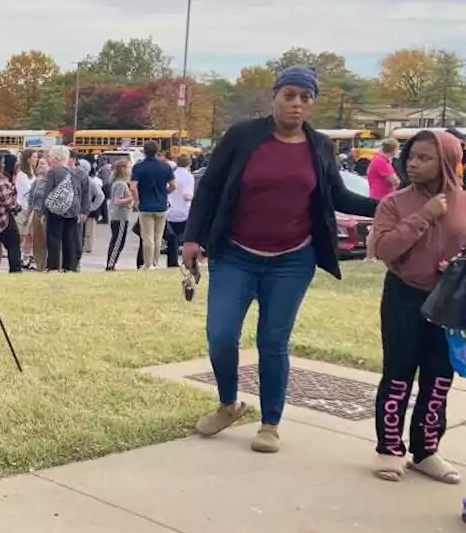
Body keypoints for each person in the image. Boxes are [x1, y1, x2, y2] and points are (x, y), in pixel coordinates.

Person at [183, 65, 377, 454]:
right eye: (289, 95)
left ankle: (270, 422)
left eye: (305, 97)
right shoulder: (243, 136)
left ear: (313, 103)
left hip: (292, 259)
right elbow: (210, 189)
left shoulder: (320, 145)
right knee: (220, 335)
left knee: (273, 340)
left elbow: (338, 196)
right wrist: (192, 238)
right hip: (235, 254)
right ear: (274, 96)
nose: (296, 103)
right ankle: (228, 404)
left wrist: (389, 206)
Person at [369, 130, 466, 485]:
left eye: (425, 158)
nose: (413, 163)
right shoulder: (394, 203)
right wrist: (424, 214)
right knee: (398, 374)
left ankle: (426, 450)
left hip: (449, 302)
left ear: (446, 163)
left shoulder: (464, 202)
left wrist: (456, 264)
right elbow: (385, 249)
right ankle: (389, 448)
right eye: (411, 156)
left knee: (439, 378)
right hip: (404, 297)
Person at [43, 145, 89, 272]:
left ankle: (53, 265)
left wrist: (44, 211)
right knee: (70, 239)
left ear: (56, 158)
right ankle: (69, 266)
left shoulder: (53, 171)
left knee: (54, 237)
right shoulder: (76, 172)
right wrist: (82, 210)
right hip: (73, 208)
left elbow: (48, 191)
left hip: (56, 209)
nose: (49, 160)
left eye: (50, 157)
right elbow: (81, 191)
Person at [131, 141, 176, 269]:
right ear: (158, 150)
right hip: (161, 205)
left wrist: (137, 200)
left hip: (145, 205)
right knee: (158, 236)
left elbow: (133, 187)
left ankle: (148, 264)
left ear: (144, 151)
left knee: (147, 237)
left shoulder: (139, 167)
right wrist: (165, 192)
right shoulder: (165, 166)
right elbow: (173, 185)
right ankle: (155, 262)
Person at [164, 154, 196, 267]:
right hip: (184, 211)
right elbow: (187, 196)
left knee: (172, 239)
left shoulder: (172, 175)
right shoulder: (189, 177)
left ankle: (171, 261)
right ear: (189, 163)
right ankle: (187, 261)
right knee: (187, 238)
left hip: (170, 210)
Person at [106, 159, 133, 271]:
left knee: (118, 240)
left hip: (117, 215)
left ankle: (111, 263)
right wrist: (132, 198)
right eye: (128, 167)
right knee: (118, 241)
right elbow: (117, 201)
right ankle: (110, 264)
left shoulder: (117, 182)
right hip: (120, 215)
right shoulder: (121, 184)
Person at [81, 160, 105, 257]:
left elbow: (100, 195)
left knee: (89, 230)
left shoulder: (91, 181)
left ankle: (88, 247)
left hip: (89, 210)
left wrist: (92, 207)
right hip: (80, 209)